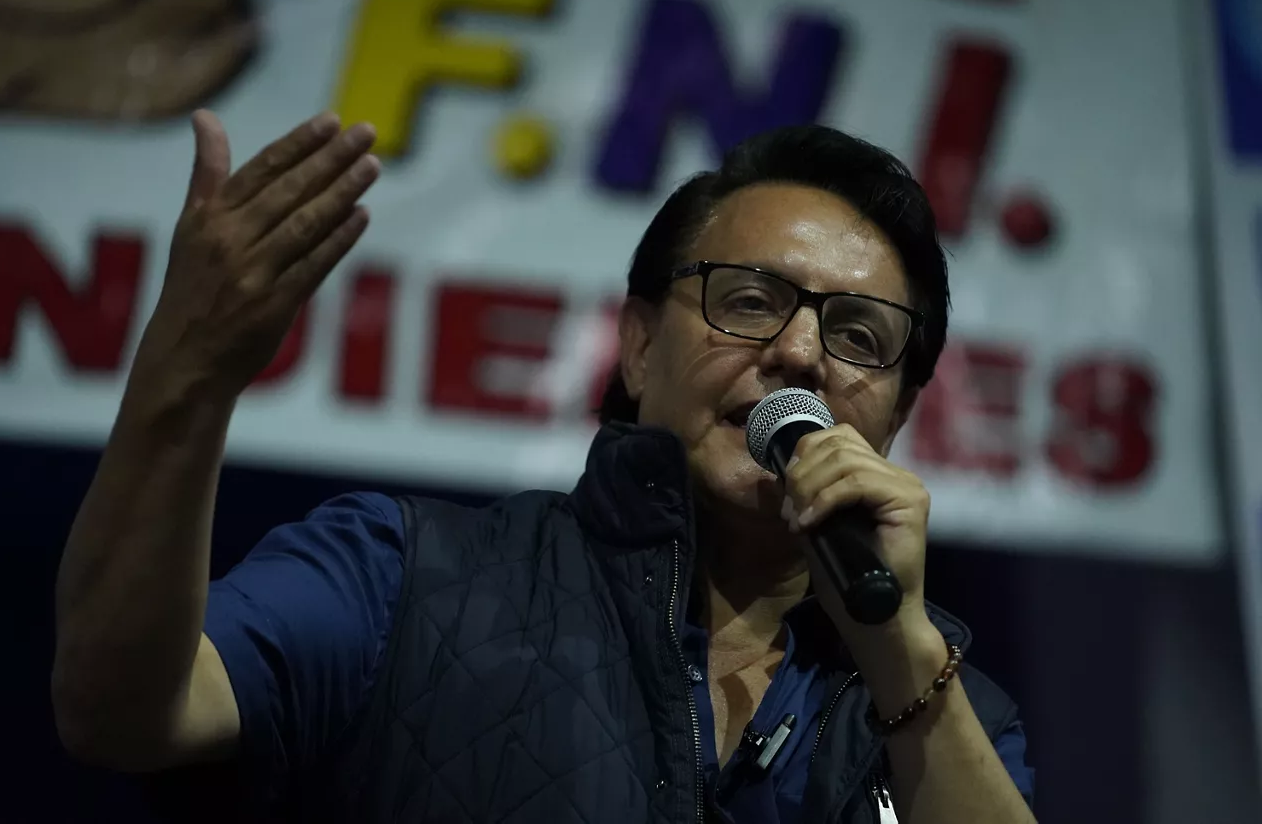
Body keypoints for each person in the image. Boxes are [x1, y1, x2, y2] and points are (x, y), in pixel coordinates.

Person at [52, 110, 1037, 824]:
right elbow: (122, 709)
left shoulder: (953, 709)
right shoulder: (402, 574)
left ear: (899, 411)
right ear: (638, 345)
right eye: (748, 299)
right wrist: (184, 381)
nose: (801, 353)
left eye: (858, 334)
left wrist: (899, 651)